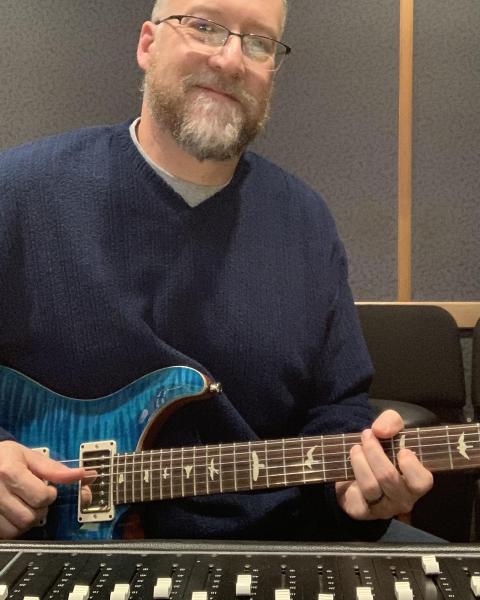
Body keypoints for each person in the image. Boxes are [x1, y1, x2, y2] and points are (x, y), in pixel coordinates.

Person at [0, 0, 435, 542]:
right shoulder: (19, 191)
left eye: (259, 42)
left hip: (272, 541)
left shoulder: (305, 221)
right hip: (50, 543)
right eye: (204, 26)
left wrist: (355, 490)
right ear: (147, 44)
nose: (231, 61)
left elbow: (336, 408)